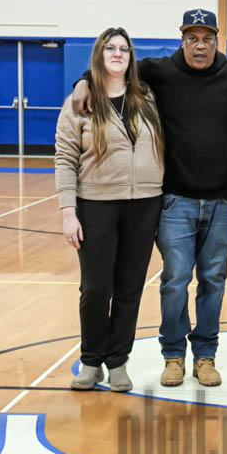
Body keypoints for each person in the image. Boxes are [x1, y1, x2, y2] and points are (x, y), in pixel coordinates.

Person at [71, 9, 227, 389]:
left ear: (217, 40)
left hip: (223, 203)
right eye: (192, 38)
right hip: (175, 200)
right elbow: (115, 67)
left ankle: (205, 356)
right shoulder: (159, 71)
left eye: (207, 38)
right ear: (182, 40)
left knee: (213, 281)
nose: (200, 45)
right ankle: (173, 355)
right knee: (175, 281)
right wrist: (82, 82)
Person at [55, 27, 165, 392]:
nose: (117, 54)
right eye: (110, 48)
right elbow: (64, 158)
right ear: (99, 56)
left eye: (124, 49)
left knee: (130, 287)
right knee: (96, 288)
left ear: (131, 57)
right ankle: (91, 361)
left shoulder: (146, 96)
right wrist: (68, 212)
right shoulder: (80, 102)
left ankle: (118, 361)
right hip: (96, 205)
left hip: (144, 204)